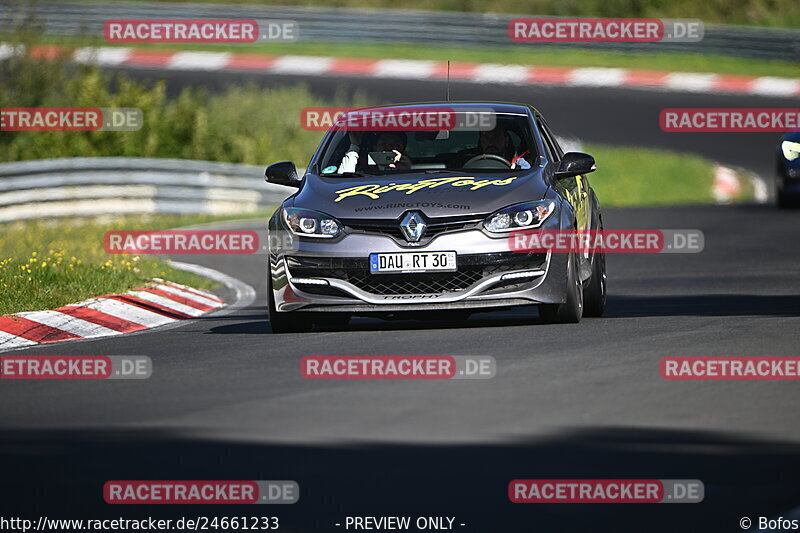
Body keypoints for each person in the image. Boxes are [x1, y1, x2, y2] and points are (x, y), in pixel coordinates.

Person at [337, 131, 411, 173]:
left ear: (403, 151)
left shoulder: (411, 169)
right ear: (375, 148)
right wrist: (354, 146)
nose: (389, 148)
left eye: (396, 145)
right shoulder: (362, 169)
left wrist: (407, 172)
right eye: (383, 144)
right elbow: (343, 177)